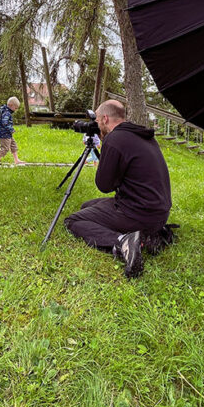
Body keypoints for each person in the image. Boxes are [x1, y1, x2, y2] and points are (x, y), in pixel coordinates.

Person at [64, 100, 173, 278]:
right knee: (87, 206)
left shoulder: (115, 139)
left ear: (105, 119)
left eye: (98, 121)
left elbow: (104, 186)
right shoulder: (142, 135)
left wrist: (106, 151)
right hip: (159, 213)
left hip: (138, 213)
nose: (97, 126)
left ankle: (125, 242)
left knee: (73, 221)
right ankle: (150, 236)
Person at [0, 97, 25, 167]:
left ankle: (16, 160)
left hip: (7, 133)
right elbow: (4, 123)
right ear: (11, 105)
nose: (16, 110)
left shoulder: (7, 112)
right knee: (4, 148)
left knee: (13, 145)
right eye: (15, 108)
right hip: (4, 134)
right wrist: (11, 129)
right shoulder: (6, 113)